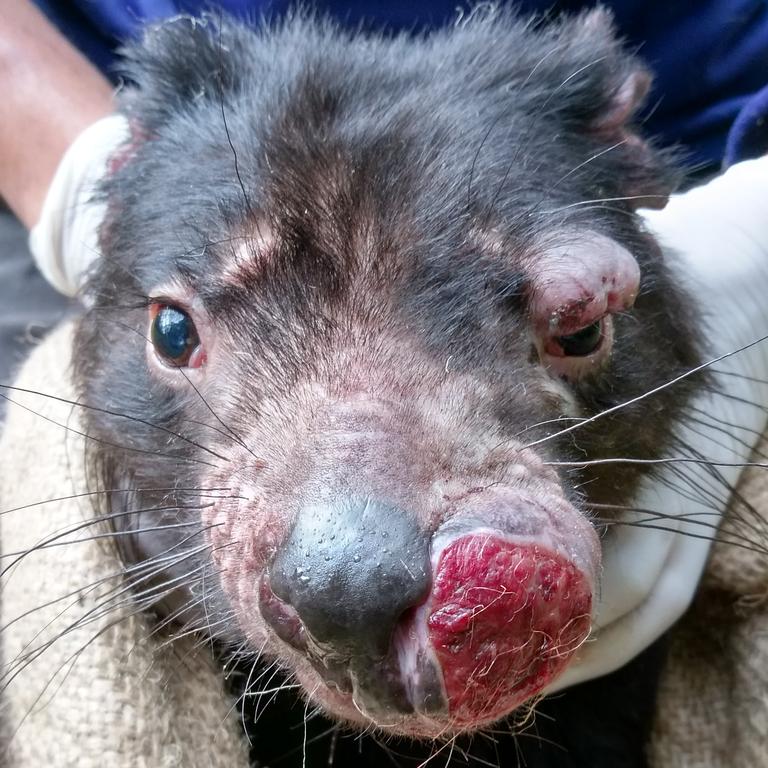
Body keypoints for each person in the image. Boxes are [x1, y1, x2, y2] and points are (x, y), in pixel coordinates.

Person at [0, 0, 767, 734]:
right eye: (178, 336)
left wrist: (752, 233)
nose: (348, 568)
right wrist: (68, 174)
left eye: (574, 331)